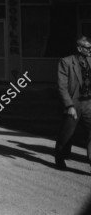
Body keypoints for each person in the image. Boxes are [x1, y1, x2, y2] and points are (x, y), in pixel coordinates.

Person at [55, 36, 91, 170]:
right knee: (66, 133)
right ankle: (60, 157)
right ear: (79, 48)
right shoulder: (66, 62)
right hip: (73, 102)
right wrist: (69, 105)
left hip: (89, 103)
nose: (90, 50)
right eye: (87, 48)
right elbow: (62, 86)